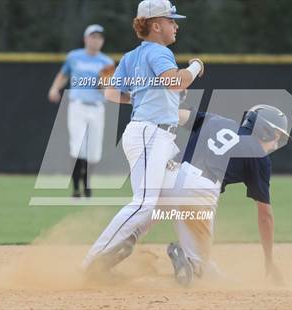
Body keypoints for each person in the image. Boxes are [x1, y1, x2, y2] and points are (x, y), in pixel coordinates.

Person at [81, 0, 205, 271]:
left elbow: (112, 94)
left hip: (153, 135)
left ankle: (125, 244)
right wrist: (195, 66)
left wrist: (142, 97)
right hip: (151, 135)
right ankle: (91, 263)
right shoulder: (159, 53)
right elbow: (178, 81)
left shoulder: (131, 57)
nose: (176, 25)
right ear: (155, 25)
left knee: (171, 195)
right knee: (145, 203)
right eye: (171, 20)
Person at [157, 104, 291, 286]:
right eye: (276, 137)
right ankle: (189, 259)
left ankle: (109, 257)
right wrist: (269, 259)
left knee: (138, 220)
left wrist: (152, 109)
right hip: (198, 193)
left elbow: (181, 115)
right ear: (264, 130)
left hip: (167, 178)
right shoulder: (259, 156)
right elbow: (265, 216)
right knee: (198, 270)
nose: (276, 144)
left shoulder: (220, 121)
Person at [48, 24, 114, 198]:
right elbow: (64, 75)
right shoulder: (74, 57)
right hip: (78, 106)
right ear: (86, 39)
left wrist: (103, 84)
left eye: (99, 37)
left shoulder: (106, 61)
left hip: (97, 108)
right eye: (93, 36)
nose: (96, 40)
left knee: (93, 152)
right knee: (77, 147)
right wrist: (54, 88)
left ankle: (88, 182)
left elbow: (106, 89)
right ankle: (77, 188)